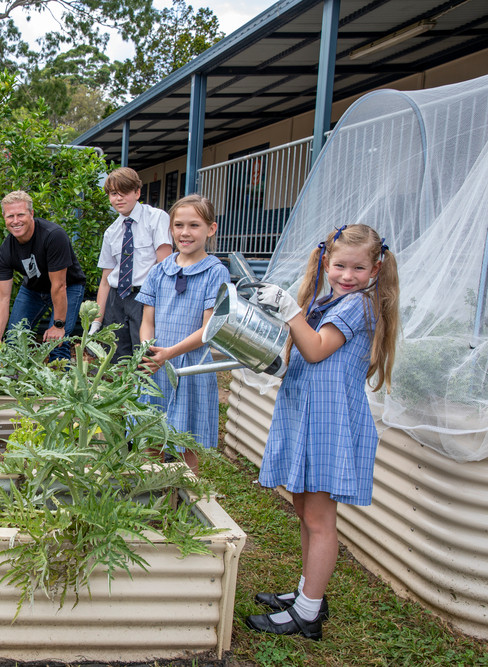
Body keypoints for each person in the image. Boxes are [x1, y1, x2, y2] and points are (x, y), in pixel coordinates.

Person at [245, 224, 399, 641]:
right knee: (304, 509)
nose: (347, 275)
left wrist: (289, 309)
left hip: (329, 421)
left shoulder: (358, 306)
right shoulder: (334, 298)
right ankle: (306, 593)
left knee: (318, 519)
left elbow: (314, 350)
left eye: (358, 268)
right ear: (327, 262)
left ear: (376, 268)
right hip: (310, 413)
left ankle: (309, 613)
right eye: (340, 265)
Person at [136, 194, 229, 474]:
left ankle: (184, 506)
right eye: (178, 225)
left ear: (211, 229)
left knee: (186, 442)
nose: (185, 233)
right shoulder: (159, 271)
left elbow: (209, 329)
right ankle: (153, 501)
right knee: (151, 436)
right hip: (156, 364)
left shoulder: (216, 272)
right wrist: (148, 351)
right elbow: (147, 321)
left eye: (194, 225)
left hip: (191, 367)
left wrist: (169, 354)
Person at [0, 190, 87, 361]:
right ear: (4, 218)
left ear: (31, 214)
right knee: (13, 341)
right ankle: (15, 385)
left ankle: (63, 385)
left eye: (20, 214)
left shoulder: (53, 236)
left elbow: (59, 285)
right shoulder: (6, 251)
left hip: (68, 288)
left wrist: (58, 325)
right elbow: (2, 297)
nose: (15, 221)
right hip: (33, 290)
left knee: (57, 343)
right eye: (10, 216)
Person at [90, 167, 172, 360]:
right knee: (117, 357)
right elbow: (105, 279)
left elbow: (166, 266)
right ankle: (123, 390)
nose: (118, 199)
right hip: (116, 300)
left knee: (144, 355)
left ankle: (143, 391)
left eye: (124, 192)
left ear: (137, 192)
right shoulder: (111, 232)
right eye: (113, 194)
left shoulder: (156, 218)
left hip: (145, 297)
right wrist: (96, 322)